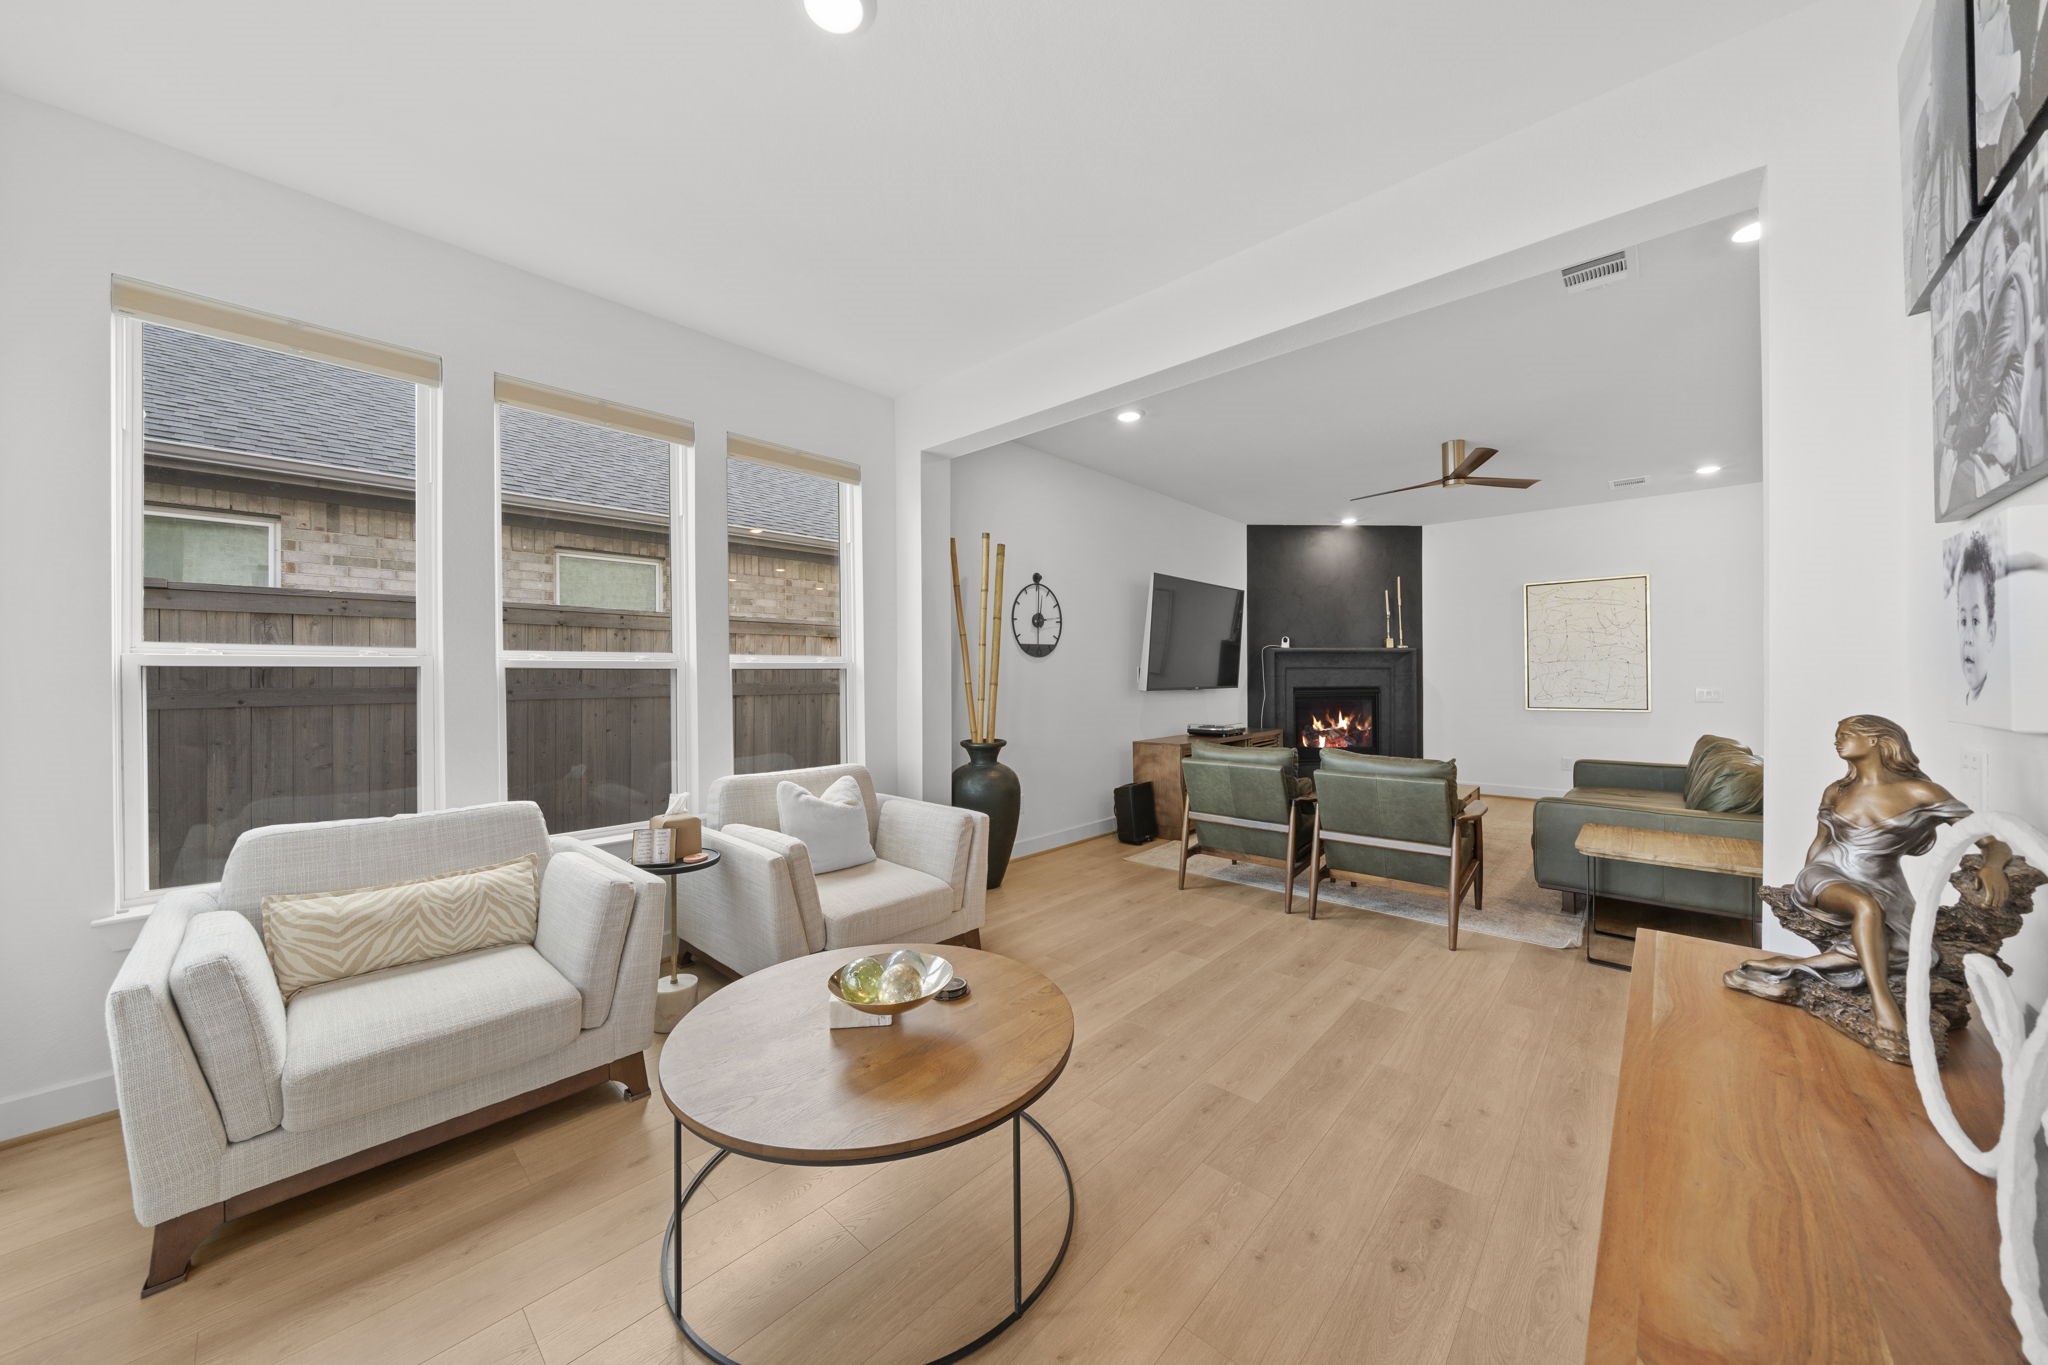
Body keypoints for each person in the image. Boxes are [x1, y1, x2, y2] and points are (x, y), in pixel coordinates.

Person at [1725, 716, 1970, 1042]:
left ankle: (1794, 965)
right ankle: (1883, 1002)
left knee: (1907, 951)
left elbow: (1983, 833)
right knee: (1865, 907)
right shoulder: (1837, 791)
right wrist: (1803, 882)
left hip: (1885, 883)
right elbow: (1820, 842)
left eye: (1847, 734)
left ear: (1875, 740)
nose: (1838, 740)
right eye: (1837, 735)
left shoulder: (1921, 792)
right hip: (1827, 872)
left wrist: (1993, 864)